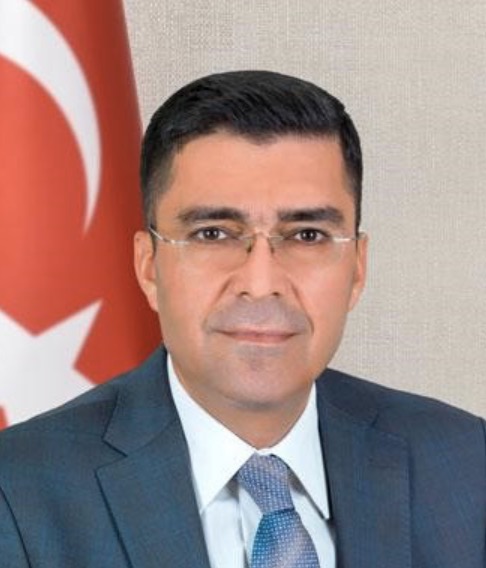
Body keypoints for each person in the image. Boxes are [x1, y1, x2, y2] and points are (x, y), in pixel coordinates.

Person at [0, 70, 484, 568]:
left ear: (357, 268)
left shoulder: (467, 465)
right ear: (149, 267)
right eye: (213, 234)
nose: (261, 282)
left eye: (308, 235)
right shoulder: (16, 493)